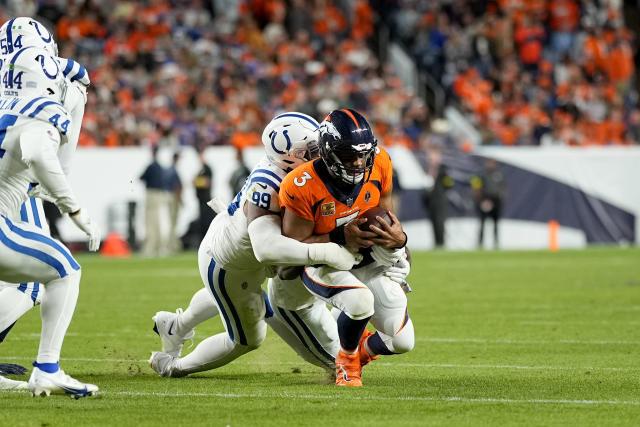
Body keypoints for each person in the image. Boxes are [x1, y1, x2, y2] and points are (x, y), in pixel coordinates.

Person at [148, 112, 360, 377]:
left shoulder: (290, 167)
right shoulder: (270, 183)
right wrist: (327, 250)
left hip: (243, 251)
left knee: (239, 297)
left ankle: (176, 326)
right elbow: (266, 247)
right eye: (313, 149)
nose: (321, 153)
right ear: (290, 155)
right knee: (248, 338)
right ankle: (172, 366)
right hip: (231, 265)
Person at [276, 108, 414, 387]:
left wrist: (399, 244)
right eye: (350, 155)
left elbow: (386, 220)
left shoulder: (381, 163)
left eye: (363, 154)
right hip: (321, 263)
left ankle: (356, 351)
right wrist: (339, 237)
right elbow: (290, 254)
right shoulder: (302, 184)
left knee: (401, 341)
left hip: (364, 259)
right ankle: (348, 362)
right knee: (359, 300)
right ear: (328, 152)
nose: (359, 162)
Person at [0, 39, 100, 397]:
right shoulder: (38, 107)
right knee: (65, 268)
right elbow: (39, 153)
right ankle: (46, 369)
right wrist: (72, 207)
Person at [471, 158, 507, 249]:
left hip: (495, 201)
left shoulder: (499, 174)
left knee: (495, 224)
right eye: (490, 162)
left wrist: (501, 199)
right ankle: (480, 243)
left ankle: (496, 243)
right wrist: (482, 200)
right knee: (482, 224)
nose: (492, 164)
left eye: (494, 163)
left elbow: (503, 188)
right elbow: (476, 188)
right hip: (485, 200)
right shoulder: (481, 174)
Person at [139, 146, 166, 256]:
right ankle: (159, 247)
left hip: (151, 194)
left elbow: (141, 177)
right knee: (157, 220)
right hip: (159, 194)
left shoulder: (151, 166)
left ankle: (150, 247)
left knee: (150, 221)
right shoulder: (160, 167)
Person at [192, 148, 215, 240]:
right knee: (202, 220)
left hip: (206, 199)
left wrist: (196, 182)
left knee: (206, 220)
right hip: (201, 199)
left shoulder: (207, 168)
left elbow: (207, 182)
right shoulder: (201, 169)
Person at [165, 152, 182, 253]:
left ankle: (172, 244)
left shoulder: (169, 170)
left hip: (169, 197)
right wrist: (180, 200)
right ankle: (172, 245)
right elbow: (177, 187)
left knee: (171, 222)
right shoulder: (173, 171)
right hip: (173, 198)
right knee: (173, 222)